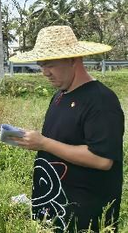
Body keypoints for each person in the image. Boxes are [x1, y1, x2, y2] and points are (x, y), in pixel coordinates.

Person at [10, 25, 123, 232]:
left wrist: (44, 143)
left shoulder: (101, 100)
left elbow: (102, 159)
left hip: (85, 216)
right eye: (41, 64)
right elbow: (63, 140)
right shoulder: (60, 95)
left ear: (74, 59)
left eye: (50, 64)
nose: (45, 72)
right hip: (55, 208)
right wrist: (34, 140)